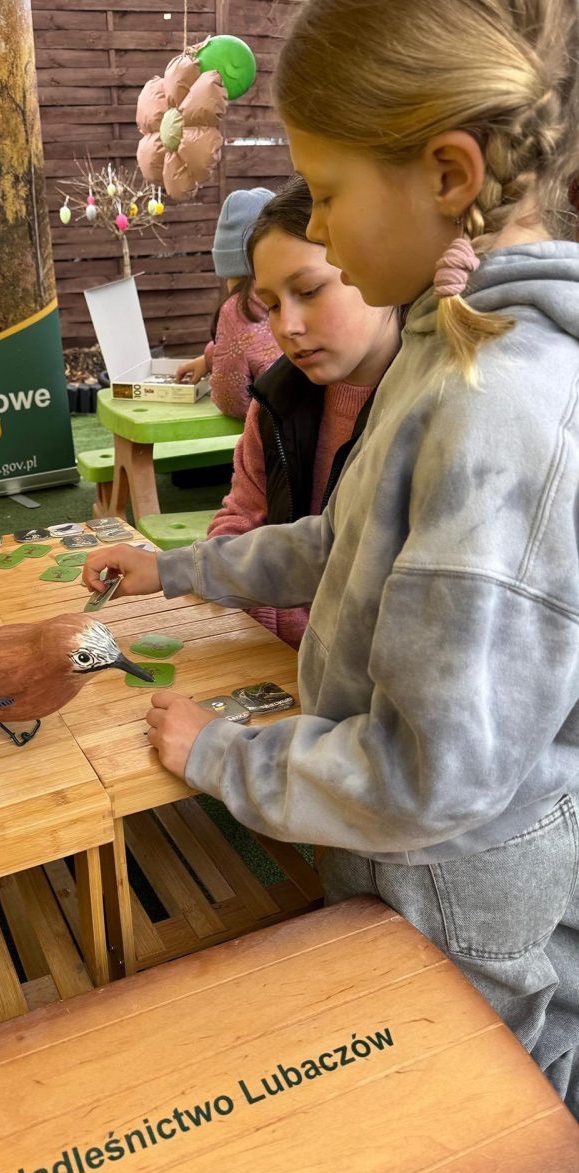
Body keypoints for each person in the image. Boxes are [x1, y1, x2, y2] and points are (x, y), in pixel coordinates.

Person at [84, 0, 579, 1114]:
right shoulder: (436, 345)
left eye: (334, 191)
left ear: (448, 174)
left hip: (451, 884)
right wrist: (175, 571)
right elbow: (337, 541)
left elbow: (428, 780)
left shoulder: (498, 405)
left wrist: (225, 757)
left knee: (482, 1113)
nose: (328, 233)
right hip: (410, 862)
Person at [208, 174, 399, 646]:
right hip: (283, 666)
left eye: (310, 291)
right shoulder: (276, 401)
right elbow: (240, 515)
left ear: (375, 268)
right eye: (269, 305)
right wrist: (254, 598)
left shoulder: (430, 411)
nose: (287, 326)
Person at [174, 187, 279, 419]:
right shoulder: (297, 293)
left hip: (271, 431)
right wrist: (208, 359)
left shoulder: (237, 310)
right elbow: (254, 348)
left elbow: (230, 397)